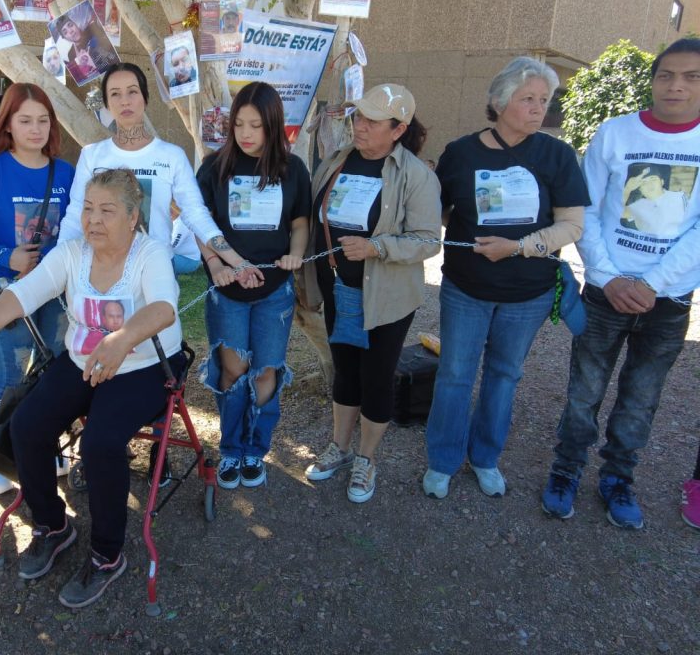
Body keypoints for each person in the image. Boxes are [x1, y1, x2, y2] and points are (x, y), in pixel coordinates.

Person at [0, 168, 184, 609]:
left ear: (132, 217)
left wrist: (123, 338)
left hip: (146, 365)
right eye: (88, 208)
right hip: (81, 361)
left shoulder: (150, 254)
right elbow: (19, 297)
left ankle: (108, 555)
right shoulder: (72, 254)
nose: (94, 219)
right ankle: (53, 526)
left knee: (101, 443)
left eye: (107, 210)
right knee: (28, 425)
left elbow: (165, 308)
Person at [541, 38, 700, 528]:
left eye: (691, 77)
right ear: (653, 80)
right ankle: (565, 470)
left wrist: (651, 283)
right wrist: (608, 278)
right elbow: (583, 209)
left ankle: (618, 479)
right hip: (604, 292)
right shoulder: (614, 134)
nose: (675, 85)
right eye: (666, 75)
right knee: (584, 391)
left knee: (640, 398)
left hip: (668, 299)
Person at [424, 57, 589, 500]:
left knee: (504, 375)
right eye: (527, 99)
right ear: (499, 102)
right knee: (455, 375)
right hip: (465, 289)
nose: (539, 109)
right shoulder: (461, 153)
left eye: (544, 100)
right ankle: (442, 461)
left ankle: (484, 458)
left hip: (527, 294)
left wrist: (518, 246)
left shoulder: (557, 154)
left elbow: (572, 225)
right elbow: (436, 213)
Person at [297, 84, 441, 503]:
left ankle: (366, 457)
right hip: (337, 286)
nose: (360, 127)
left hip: (387, 295)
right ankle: (340, 447)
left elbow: (428, 240)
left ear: (398, 129)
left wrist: (377, 247)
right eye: (359, 118)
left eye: (373, 121)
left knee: (377, 376)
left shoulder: (416, 176)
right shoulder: (336, 161)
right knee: (345, 369)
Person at [0, 83, 75, 496]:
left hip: (58, 294)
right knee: (10, 375)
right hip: (11, 293)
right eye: (25, 120)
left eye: (43, 120)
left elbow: (76, 234)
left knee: (55, 371)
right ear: (7, 123)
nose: (36, 128)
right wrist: (8, 257)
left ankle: (43, 446)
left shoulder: (67, 172)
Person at [196, 82, 311, 489]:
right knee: (232, 369)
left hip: (274, 290)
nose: (245, 133)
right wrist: (214, 263)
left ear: (273, 125)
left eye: (256, 125)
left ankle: (255, 450)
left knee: (265, 371)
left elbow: (299, 223)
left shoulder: (292, 169)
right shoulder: (214, 167)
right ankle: (230, 449)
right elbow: (201, 222)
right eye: (239, 124)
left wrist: (296, 255)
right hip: (227, 290)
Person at [57, 63, 259, 280]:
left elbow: (195, 213)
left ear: (145, 98)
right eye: (115, 94)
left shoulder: (172, 156)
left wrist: (236, 261)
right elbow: (76, 213)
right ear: (106, 103)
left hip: (155, 269)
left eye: (132, 92)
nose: (125, 100)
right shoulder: (92, 155)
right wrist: (57, 266)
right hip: (99, 270)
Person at [620, 163, 688, 237]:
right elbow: (619, 212)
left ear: (662, 182)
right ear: (640, 189)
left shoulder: (679, 197)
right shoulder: (639, 205)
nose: (649, 184)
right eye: (644, 182)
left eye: (653, 179)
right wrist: (627, 189)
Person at [54, 12, 114, 80]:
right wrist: (84, 64)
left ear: (76, 24)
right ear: (64, 38)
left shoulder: (92, 27)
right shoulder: (71, 54)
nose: (71, 31)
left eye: (70, 25)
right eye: (65, 32)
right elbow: (89, 78)